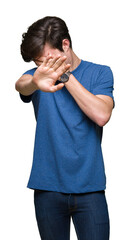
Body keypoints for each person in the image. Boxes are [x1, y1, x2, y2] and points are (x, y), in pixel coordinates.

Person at [15, 16, 115, 240]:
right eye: (39, 63)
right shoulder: (37, 77)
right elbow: (20, 85)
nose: (44, 68)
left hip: (90, 188)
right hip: (47, 187)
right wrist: (35, 80)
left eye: (48, 60)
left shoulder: (100, 73)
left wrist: (65, 75)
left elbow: (101, 115)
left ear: (65, 45)